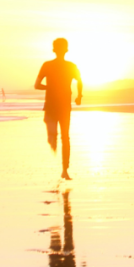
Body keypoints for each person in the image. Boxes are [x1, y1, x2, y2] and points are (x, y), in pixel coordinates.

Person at [34, 38, 83, 179]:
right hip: (64, 106)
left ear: (54, 49)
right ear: (66, 49)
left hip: (51, 104)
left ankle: (51, 138)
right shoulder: (71, 66)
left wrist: (49, 87)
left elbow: (36, 85)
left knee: (54, 134)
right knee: (65, 137)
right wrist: (79, 96)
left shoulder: (47, 65)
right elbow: (79, 81)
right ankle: (65, 171)